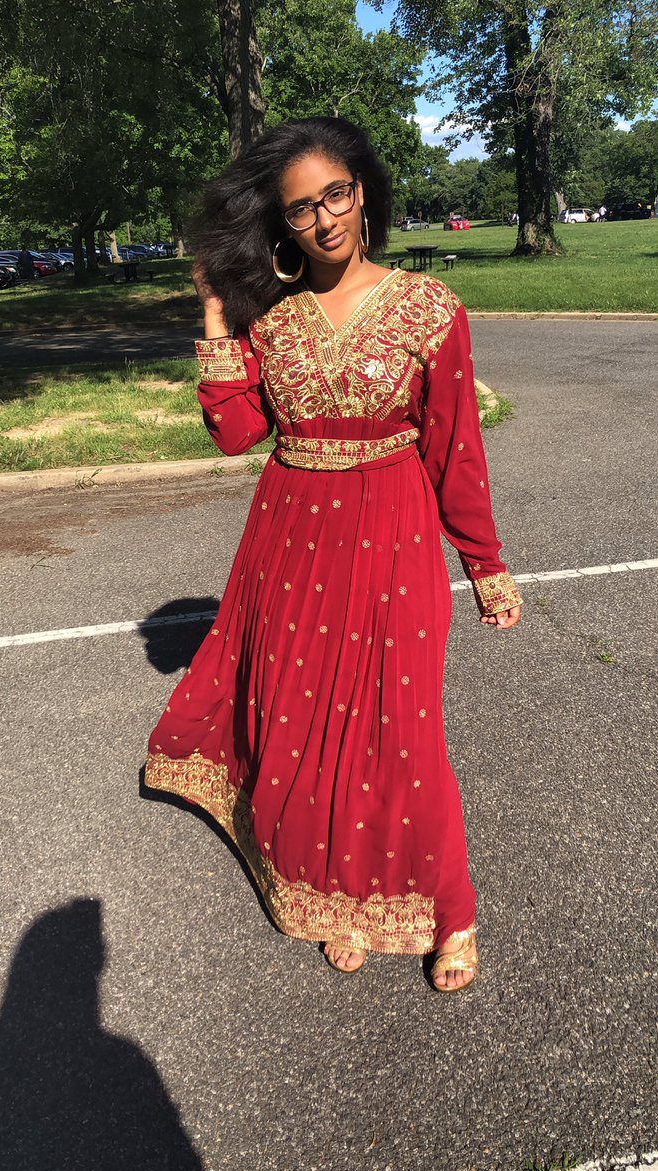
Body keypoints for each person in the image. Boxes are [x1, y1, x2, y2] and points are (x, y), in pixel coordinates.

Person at [144, 117, 523, 993]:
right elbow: (235, 433)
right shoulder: (271, 321)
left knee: (401, 736)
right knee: (303, 730)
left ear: (363, 192)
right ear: (281, 224)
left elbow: (454, 449)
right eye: (302, 209)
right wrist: (215, 311)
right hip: (288, 540)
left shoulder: (428, 308)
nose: (324, 220)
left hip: (393, 535)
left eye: (336, 195)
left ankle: (450, 911)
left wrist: (483, 563)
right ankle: (337, 899)